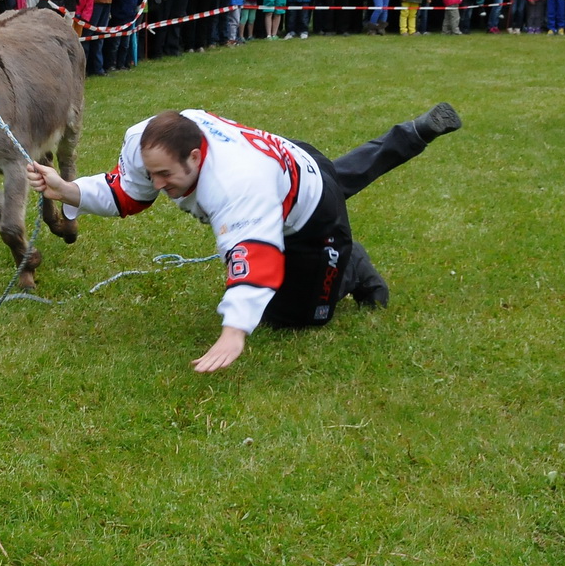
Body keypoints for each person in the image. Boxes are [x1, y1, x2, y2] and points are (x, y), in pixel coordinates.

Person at [29, 104, 462, 372]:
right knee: (335, 173)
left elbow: (256, 258)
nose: (158, 184)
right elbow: (127, 193)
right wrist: (67, 190)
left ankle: (351, 264)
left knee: (298, 317)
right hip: (289, 161)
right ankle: (413, 133)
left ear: (196, 156)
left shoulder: (235, 184)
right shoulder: (149, 142)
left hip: (309, 210)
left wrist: (234, 331)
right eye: (153, 172)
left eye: (167, 176)